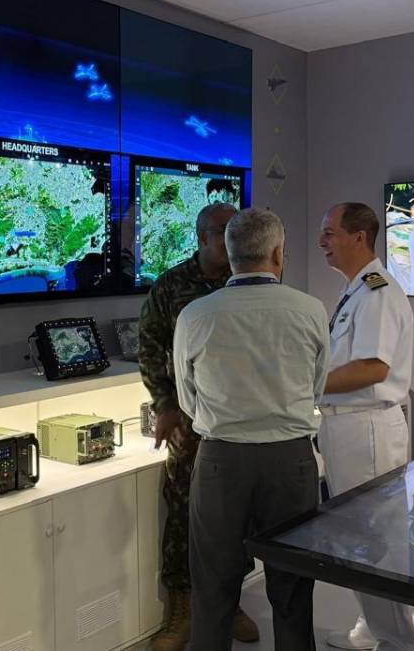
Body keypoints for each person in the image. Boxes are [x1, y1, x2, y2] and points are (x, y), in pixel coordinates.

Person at [168, 207, 329, 651]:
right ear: (278, 253)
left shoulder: (196, 315)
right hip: (290, 461)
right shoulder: (310, 310)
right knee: (293, 589)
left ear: (230, 253)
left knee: (212, 588)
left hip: (220, 462)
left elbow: (187, 398)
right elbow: (316, 386)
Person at [137, 202, 259, 651]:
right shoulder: (171, 286)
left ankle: (231, 602)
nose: (232, 238)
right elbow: (150, 348)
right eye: (224, 230)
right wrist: (166, 406)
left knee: (237, 512)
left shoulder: (247, 283)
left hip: (239, 418)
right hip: (190, 420)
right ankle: (182, 608)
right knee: (185, 512)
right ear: (202, 237)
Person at [317, 203, 414, 651]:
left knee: (377, 541)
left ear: (358, 237)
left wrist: (305, 383)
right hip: (348, 428)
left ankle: (398, 643)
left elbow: (373, 368)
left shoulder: (376, 291)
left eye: (330, 232)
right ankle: (373, 627)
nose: (321, 241)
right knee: (359, 538)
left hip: (366, 430)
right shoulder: (356, 289)